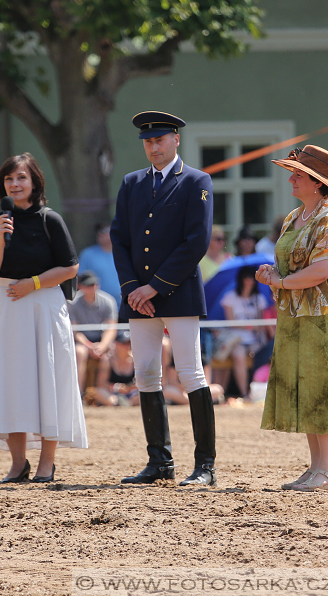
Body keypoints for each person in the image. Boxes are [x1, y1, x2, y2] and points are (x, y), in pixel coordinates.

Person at [110, 111, 216, 486]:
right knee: (146, 374)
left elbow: (196, 242)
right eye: (147, 141)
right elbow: (119, 238)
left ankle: (205, 465)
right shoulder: (132, 182)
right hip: (138, 295)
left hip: (176, 290)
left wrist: (153, 287)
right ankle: (159, 461)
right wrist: (131, 290)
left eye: (159, 140)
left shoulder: (195, 181)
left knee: (190, 373)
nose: (153, 147)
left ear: (176, 140)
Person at [0, 152, 87, 483]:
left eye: (21, 177)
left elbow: (71, 267)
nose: (15, 184)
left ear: (35, 182)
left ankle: (46, 463)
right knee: (11, 383)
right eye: (9, 179)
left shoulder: (51, 220)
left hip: (44, 304)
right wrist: (2, 241)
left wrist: (32, 284)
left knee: (47, 380)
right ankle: (18, 462)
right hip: (8, 303)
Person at [254, 144, 328, 492]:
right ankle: (316, 468)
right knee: (306, 386)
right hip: (295, 313)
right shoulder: (294, 218)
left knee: (322, 386)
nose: (292, 178)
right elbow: (294, 266)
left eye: (298, 174)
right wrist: (273, 274)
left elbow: (322, 271)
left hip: (324, 315)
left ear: (316, 183)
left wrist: (279, 281)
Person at [214, 265, 269, 399]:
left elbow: (261, 323)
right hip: (236, 339)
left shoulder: (259, 298)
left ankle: (256, 391)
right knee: (239, 356)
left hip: (255, 340)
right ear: (241, 279)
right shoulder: (230, 297)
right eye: (247, 277)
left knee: (264, 355)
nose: (250, 280)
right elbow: (231, 321)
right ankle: (244, 393)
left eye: (252, 277)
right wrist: (250, 326)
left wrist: (251, 326)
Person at [67, 271, 117, 396]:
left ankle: (107, 393)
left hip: (102, 340)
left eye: (95, 284)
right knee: (79, 353)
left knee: (114, 352)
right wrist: (89, 345)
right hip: (81, 341)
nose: (93, 287)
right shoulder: (72, 303)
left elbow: (111, 328)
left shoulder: (108, 300)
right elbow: (74, 330)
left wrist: (102, 346)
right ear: (80, 286)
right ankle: (77, 395)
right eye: (89, 285)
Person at [77, 224, 122, 307]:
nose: (101, 233)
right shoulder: (87, 254)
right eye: (99, 231)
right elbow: (80, 279)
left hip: (124, 305)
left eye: (105, 230)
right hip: (97, 308)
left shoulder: (124, 253)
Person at [91, 329, 137, 407]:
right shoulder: (108, 359)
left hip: (132, 395)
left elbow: (141, 383)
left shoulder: (135, 360)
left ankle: (123, 404)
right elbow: (101, 383)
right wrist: (116, 387)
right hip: (112, 394)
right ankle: (119, 403)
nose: (127, 346)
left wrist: (130, 388)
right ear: (116, 344)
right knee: (99, 392)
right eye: (124, 343)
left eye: (129, 343)